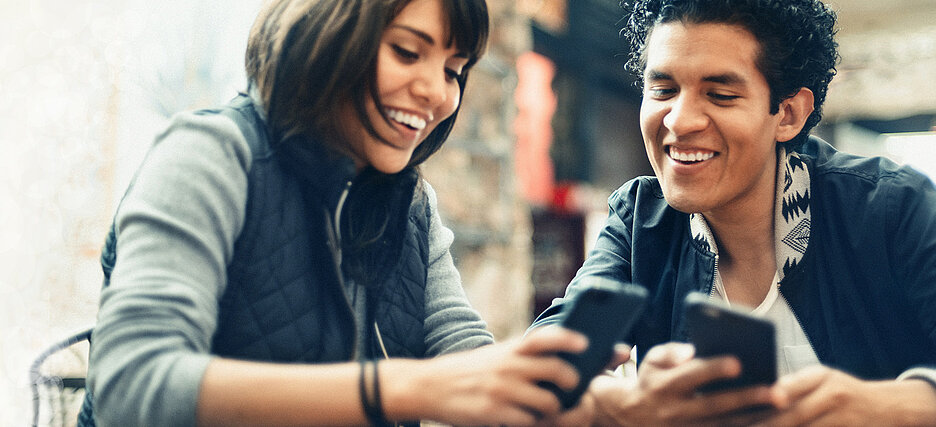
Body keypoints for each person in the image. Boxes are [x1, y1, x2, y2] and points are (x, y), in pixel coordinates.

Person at [79, 0, 609, 426]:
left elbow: (462, 354)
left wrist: (594, 406)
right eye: (407, 52)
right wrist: (408, 388)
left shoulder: (412, 204)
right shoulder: (211, 154)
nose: (436, 93)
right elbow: (132, 384)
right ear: (329, 32)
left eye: (454, 70)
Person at [531, 0, 936, 426]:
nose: (679, 121)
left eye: (721, 94)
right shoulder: (639, 222)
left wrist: (886, 406)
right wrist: (618, 404)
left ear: (788, 113)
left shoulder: (886, 206)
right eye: (662, 90)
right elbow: (536, 375)